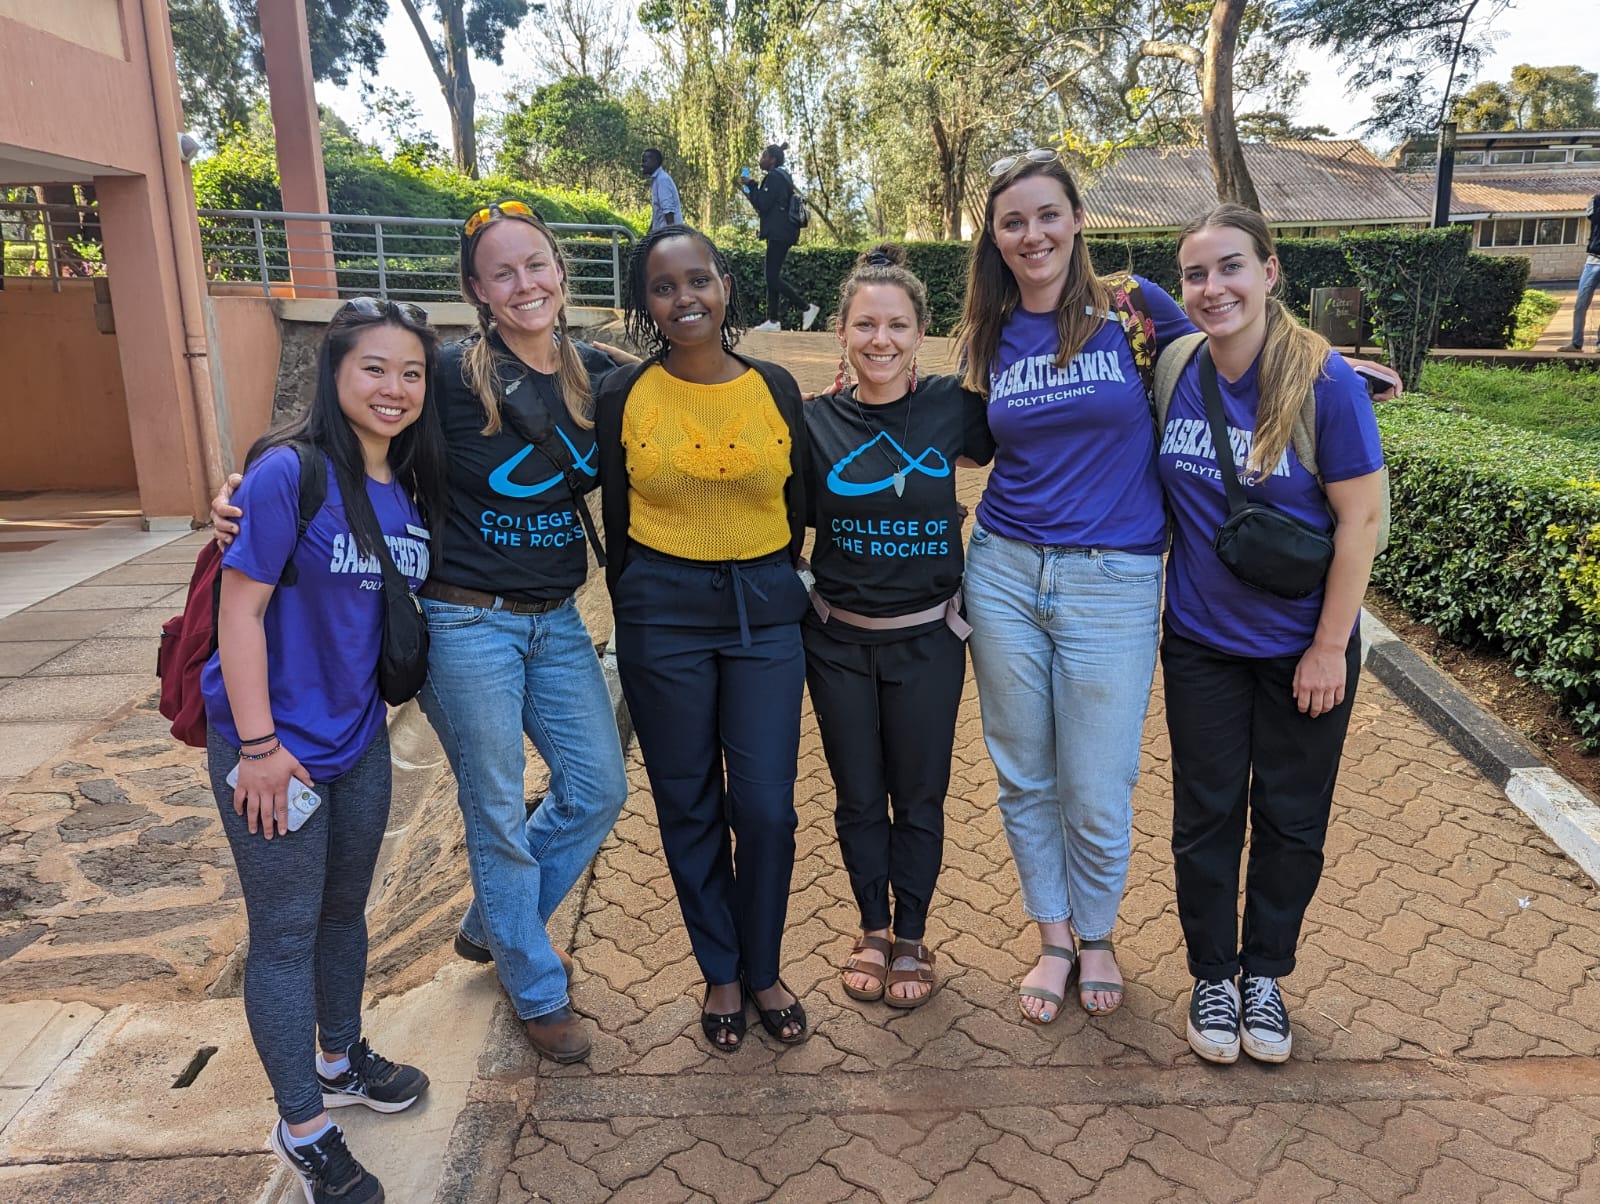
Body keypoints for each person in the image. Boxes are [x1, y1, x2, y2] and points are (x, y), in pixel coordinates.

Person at [212, 200, 631, 1068]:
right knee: (496, 807)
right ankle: (534, 981)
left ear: (562, 269)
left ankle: (493, 921)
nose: (526, 284)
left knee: (598, 788)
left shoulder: (597, 372)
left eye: (538, 264)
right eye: (503, 272)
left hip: (555, 619)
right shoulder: (443, 374)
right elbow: (351, 429)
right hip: (462, 617)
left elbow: (697, 385)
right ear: (476, 290)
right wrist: (237, 493)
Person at [204, 297, 449, 1204]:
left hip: (356, 738)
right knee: (284, 936)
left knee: (347, 915)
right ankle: (301, 1126)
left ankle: (341, 1060)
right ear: (335, 373)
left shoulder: (411, 485)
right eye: (374, 369)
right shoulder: (286, 475)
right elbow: (242, 609)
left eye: (411, 372)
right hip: (272, 747)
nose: (394, 388)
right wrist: (260, 747)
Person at [951, 150, 1195, 1026]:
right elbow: (973, 443)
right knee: (1024, 773)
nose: (1032, 234)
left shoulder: (1131, 307)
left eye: (1047, 215)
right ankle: (1055, 937)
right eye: (1013, 222)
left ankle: (1099, 934)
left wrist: (1324, 376)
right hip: (1006, 570)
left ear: (1078, 218)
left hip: (1116, 579)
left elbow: (1226, 367)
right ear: (995, 237)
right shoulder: (991, 328)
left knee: (1096, 781)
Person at [1159, 204, 1385, 1065]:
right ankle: (1213, 973)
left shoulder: (1326, 384)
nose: (1213, 288)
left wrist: (1330, 645)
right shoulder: (1177, 366)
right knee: (1206, 814)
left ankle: (1265, 975)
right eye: (1196, 275)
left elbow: (1360, 522)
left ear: (1269, 272)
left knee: (1291, 819)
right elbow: (1101, 290)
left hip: (1304, 647)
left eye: (1230, 268)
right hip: (1202, 639)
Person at [594, 223, 812, 1051]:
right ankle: (722, 972)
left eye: (698, 280)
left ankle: (764, 965)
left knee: (765, 809)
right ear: (644, 304)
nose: (684, 298)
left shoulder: (776, 387)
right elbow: (603, 496)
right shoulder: (623, 395)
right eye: (662, 286)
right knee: (687, 800)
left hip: (763, 608)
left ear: (725, 286)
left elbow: (801, 506)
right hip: (661, 610)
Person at [805, 244, 993, 1008]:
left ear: (922, 335)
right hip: (838, 641)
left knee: (919, 796)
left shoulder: (954, 406)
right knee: (856, 795)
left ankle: (912, 934)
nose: (880, 340)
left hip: (928, 640)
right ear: (843, 334)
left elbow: (1038, 442)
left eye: (898, 325)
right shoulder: (811, 420)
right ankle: (871, 928)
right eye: (865, 324)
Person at [739, 142, 819, 333]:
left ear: (772, 160)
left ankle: (806, 307)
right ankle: (773, 320)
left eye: (764, 156)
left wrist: (751, 184)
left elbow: (762, 205)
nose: (761, 160)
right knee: (772, 275)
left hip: (780, 233)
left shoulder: (774, 178)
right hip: (782, 232)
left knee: (772, 277)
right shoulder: (782, 177)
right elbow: (767, 206)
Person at [1557, 194, 1600, 353]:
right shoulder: (1595, 200)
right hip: (1593, 260)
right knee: (1581, 303)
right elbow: (1595, 219)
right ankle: (1576, 343)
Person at [642, 148, 681, 232]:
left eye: (645, 161)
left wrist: (671, 236)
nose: (642, 164)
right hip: (661, 233)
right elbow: (658, 213)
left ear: (655, 161)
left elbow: (668, 210)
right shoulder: (657, 179)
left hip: (667, 235)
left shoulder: (662, 179)